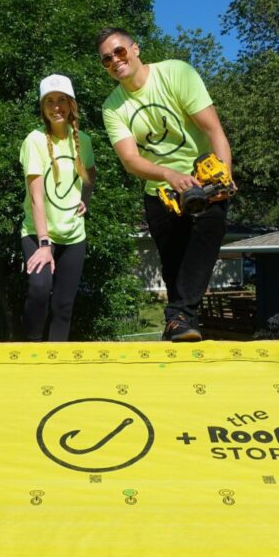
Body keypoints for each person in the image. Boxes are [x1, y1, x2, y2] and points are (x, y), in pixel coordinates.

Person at [97, 28, 233, 342]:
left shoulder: (177, 73)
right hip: (161, 191)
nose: (115, 61)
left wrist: (223, 175)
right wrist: (169, 176)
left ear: (135, 48)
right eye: (107, 59)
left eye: (119, 52)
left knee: (206, 239)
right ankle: (181, 328)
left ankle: (178, 318)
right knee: (174, 268)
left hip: (203, 180)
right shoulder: (112, 107)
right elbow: (131, 160)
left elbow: (213, 129)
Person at [20, 74, 96, 341]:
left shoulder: (83, 141)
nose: (56, 107)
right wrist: (44, 244)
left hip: (74, 236)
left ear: (71, 104)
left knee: (64, 306)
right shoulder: (34, 141)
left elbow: (91, 174)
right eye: (49, 101)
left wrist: (85, 199)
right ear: (43, 107)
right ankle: (30, 350)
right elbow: (37, 196)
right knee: (40, 291)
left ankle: (55, 360)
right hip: (37, 234)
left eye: (61, 100)